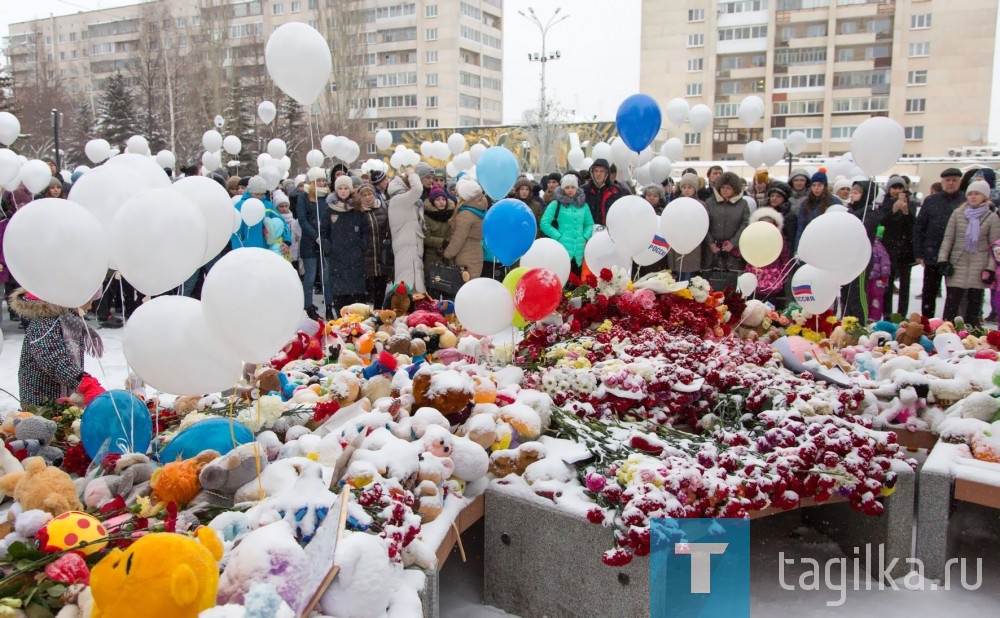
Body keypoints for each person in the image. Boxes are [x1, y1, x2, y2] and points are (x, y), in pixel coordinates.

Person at [10, 287, 105, 406]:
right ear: (73, 298)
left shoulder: (69, 320)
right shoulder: (44, 322)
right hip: (42, 401)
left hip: (63, 398)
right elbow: (53, 359)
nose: (90, 307)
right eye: (88, 301)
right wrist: (84, 381)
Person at [937, 180, 1000, 326]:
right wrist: (943, 260)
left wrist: (990, 269)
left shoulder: (992, 218)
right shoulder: (958, 214)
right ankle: (947, 332)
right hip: (957, 264)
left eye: (977, 194)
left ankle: (971, 334)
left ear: (985, 197)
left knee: (973, 306)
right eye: (970, 194)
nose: (973, 197)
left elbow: (995, 247)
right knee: (951, 304)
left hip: (979, 267)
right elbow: (948, 238)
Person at [914, 168, 965, 318]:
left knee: (954, 296)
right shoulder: (931, 201)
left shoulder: (965, 201)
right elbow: (919, 228)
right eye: (947, 180)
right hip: (932, 254)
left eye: (954, 180)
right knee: (929, 294)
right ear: (942, 182)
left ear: (959, 182)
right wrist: (918, 252)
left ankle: (950, 326)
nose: (950, 183)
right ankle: (927, 324)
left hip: (956, 256)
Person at [325, 175, 370, 316]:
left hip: (355, 257)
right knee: (340, 294)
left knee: (357, 295)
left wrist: (362, 246)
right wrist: (328, 246)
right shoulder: (330, 209)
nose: (343, 191)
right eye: (340, 188)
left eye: (346, 188)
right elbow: (324, 231)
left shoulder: (357, 209)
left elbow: (365, 230)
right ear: (336, 190)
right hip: (337, 257)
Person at [877, 176, 917, 316]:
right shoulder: (884, 203)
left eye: (900, 188)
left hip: (905, 250)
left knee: (905, 285)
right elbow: (881, 223)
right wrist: (892, 211)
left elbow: (913, 226)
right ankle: (887, 313)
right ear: (889, 189)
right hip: (888, 248)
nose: (897, 191)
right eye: (894, 188)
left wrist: (906, 212)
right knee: (887, 283)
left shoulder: (910, 204)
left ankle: (901, 314)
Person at [540, 174, 593, 277]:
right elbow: (544, 223)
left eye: (573, 187)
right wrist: (558, 236)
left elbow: (589, 224)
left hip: (580, 251)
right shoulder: (556, 204)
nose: (570, 190)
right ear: (562, 188)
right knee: (563, 280)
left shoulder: (584, 206)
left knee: (578, 283)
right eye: (567, 187)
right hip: (562, 250)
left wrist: (585, 236)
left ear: (577, 188)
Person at [841, 180, 879, 320]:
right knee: (846, 293)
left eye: (856, 193)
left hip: (861, 259)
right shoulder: (850, 210)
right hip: (848, 258)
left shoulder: (870, 212)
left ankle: (861, 321)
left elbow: (864, 231)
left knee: (858, 293)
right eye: (852, 192)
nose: (852, 195)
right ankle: (847, 320)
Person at [297, 169, 331, 318]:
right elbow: (302, 219)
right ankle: (308, 305)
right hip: (309, 242)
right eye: (318, 181)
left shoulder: (327, 197)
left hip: (324, 241)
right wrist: (315, 235)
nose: (322, 183)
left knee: (326, 276)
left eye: (323, 180)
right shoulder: (303, 197)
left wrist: (325, 237)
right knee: (310, 276)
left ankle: (329, 305)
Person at [387, 166, 427, 294]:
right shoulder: (399, 200)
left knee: (413, 291)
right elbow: (418, 189)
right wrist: (412, 172)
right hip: (406, 251)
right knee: (405, 289)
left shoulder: (406, 201)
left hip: (412, 250)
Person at [745, 207, 791, 310]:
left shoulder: (778, 236)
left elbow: (784, 255)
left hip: (772, 277)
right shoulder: (753, 236)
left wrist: (783, 275)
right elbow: (745, 249)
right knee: (752, 304)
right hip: (755, 274)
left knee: (769, 307)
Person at [703, 172, 750, 272]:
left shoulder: (742, 204)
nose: (725, 190)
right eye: (723, 187)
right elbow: (704, 224)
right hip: (712, 250)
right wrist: (711, 243)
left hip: (734, 252)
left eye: (728, 187)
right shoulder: (710, 203)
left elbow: (745, 224)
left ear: (735, 189)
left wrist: (733, 243)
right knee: (710, 282)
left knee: (731, 282)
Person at [356, 183, 392, 309]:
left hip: (381, 255)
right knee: (367, 288)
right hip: (366, 255)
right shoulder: (358, 212)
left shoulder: (383, 208)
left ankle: (378, 311)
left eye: (370, 194)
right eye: (364, 195)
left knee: (380, 285)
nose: (368, 197)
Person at [444, 178, 487, 280]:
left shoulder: (466, 215)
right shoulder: (479, 210)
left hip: (465, 257)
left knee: (463, 289)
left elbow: (458, 239)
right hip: (476, 254)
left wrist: (447, 254)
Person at [232, 176, 289, 251]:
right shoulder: (240, 206)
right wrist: (237, 249)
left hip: (265, 248)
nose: (259, 197)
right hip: (245, 248)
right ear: (250, 191)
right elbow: (234, 230)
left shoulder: (268, 205)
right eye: (256, 194)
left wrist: (286, 240)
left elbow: (281, 222)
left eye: (262, 194)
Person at [666, 173, 704, 280]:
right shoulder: (675, 204)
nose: (687, 190)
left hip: (692, 248)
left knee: (687, 278)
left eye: (690, 187)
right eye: (684, 187)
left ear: (695, 189)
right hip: (675, 244)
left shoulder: (700, 205)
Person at [794, 171, 837, 253]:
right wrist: (797, 248)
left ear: (825, 186)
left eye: (819, 185)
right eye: (813, 185)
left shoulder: (834, 202)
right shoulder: (806, 203)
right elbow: (801, 227)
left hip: (828, 243)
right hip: (810, 242)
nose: (816, 188)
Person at [423, 186, 455, 289]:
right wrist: (443, 242)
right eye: (437, 200)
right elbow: (425, 238)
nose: (441, 202)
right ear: (432, 202)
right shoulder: (427, 217)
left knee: (448, 289)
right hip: (432, 257)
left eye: (443, 199)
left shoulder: (452, 215)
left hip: (448, 258)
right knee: (432, 289)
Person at [582, 158, 624, 226]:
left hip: (609, 230)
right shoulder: (583, 190)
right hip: (589, 230)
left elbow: (620, 213)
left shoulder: (615, 190)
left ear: (606, 173)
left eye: (602, 171)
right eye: (596, 171)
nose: (598, 174)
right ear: (592, 172)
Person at [867, 226, 892, 322]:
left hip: (876, 278)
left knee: (875, 297)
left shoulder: (878, 247)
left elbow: (885, 262)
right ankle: (871, 315)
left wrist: (884, 276)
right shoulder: (878, 247)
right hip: (872, 277)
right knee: (873, 297)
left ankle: (874, 317)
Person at [272, 190, 300, 268]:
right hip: (280, 251)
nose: (284, 208)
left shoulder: (294, 222)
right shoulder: (274, 221)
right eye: (281, 206)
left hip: (294, 253)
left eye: (286, 206)